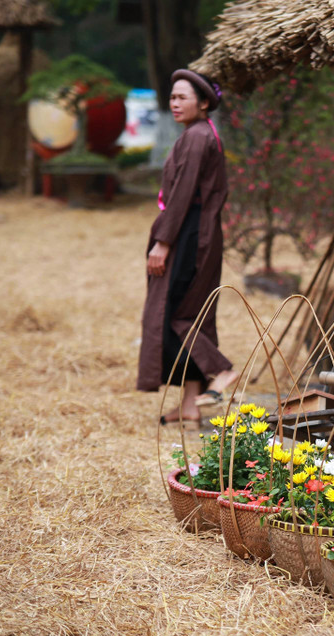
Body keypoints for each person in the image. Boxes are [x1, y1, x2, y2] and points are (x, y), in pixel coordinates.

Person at [137, 69, 239, 427]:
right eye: (172, 97)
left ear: (204, 102)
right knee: (194, 315)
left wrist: (163, 243)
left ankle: (221, 371)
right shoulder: (201, 133)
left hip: (190, 234)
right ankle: (191, 405)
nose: (174, 103)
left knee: (175, 315)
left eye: (182, 97)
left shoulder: (197, 137)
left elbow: (181, 195)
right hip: (197, 231)